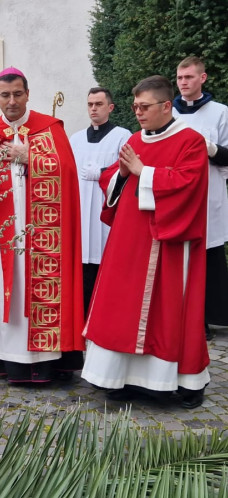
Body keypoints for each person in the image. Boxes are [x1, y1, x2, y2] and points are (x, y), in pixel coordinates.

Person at [81, 75, 210, 409]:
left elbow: (189, 184)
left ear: (166, 106)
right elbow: (114, 175)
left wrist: (143, 171)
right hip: (128, 242)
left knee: (167, 311)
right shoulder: (136, 139)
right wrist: (123, 173)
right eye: (135, 106)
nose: (138, 112)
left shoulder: (190, 141)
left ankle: (175, 382)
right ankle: (119, 377)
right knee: (120, 307)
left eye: (145, 106)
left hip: (167, 242)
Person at [0, 67, 85, 383]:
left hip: (44, 233)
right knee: (8, 296)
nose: (12, 101)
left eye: (18, 94)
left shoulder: (49, 127)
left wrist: (29, 156)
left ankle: (47, 364)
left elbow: (68, 173)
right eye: (5, 95)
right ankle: (10, 363)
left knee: (38, 292)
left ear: (28, 94)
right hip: (2, 233)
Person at [172, 56, 228, 340]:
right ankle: (177, 314)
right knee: (177, 257)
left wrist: (212, 149)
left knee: (207, 257)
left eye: (189, 77)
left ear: (203, 78)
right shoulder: (167, 111)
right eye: (180, 78)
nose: (184, 83)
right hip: (177, 196)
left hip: (209, 196)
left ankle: (206, 317)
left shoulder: (220, 113)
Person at [70, 87, 131, 316]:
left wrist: (103, 171)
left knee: (106, 263)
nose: (93, 109)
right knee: (82, 265)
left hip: (106, 211)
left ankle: (106, 314)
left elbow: (129, 169)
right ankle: (83, 315)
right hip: (81, 211)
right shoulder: (75, 139)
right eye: (90, 104)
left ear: (110, 107)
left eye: (98, 104)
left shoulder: (122, 136)